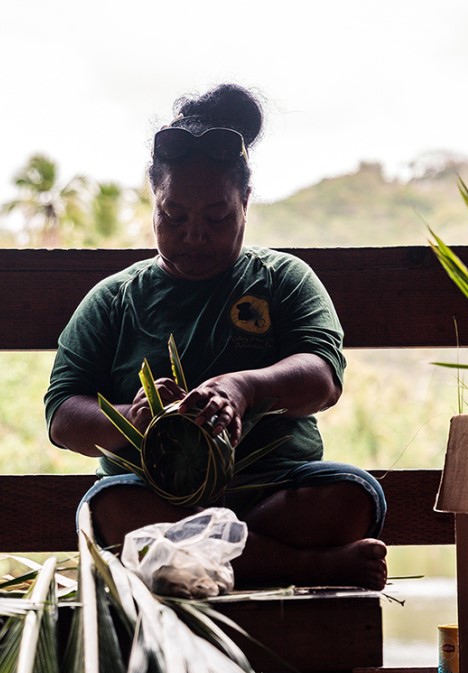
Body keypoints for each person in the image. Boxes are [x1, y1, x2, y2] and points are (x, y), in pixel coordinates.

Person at [44, 83, 388, 591]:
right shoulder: (115, 299)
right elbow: (61, 415)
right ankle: (302, 567)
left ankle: (196, 561)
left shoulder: (283, 279)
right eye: (173, 216)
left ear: (245, 202)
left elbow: (322, 376)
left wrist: (244, 389)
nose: (194, 235)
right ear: (153, 199)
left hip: (271, 491)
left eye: (217, 217)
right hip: (154, 495)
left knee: (353, 495)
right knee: (109, 507)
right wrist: (131, 421)